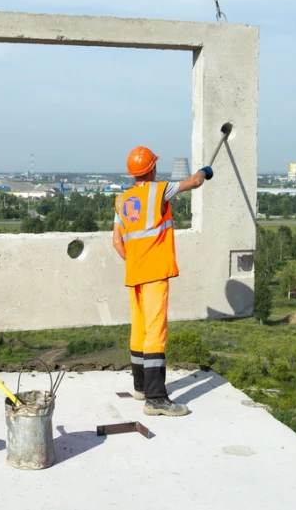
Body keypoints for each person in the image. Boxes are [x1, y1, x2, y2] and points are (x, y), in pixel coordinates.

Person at [112, 146, 212, 417]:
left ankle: (141, 386)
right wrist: (205, 171)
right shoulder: (158, 191)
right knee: (156, 332)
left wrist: (135, 261)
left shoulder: (121, 200)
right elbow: (193, 182)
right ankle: (156, 399)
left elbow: (117, 242)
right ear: (152, 169)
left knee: (140, 330)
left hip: (134, 274)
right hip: (155, 273)